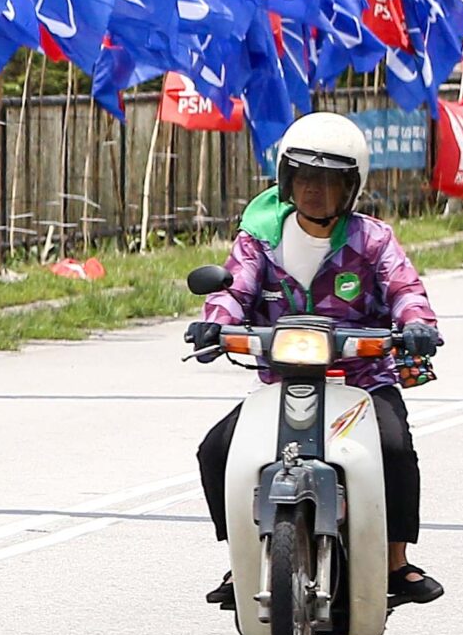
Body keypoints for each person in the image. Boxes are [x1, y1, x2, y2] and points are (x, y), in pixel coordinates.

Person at [188, 112, 445, 608]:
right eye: (304, 177)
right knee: (216, 450)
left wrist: (416, 324)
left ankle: (396, 563)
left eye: (329, 181)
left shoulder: (372, 240)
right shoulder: (260, 237)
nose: (313, 190)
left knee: (394, 450)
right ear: (286, 179)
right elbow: (234, 288)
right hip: (285, 381)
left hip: (362, 381)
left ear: (351, 188)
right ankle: (243, 556)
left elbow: (405, 288)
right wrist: (215, 323)